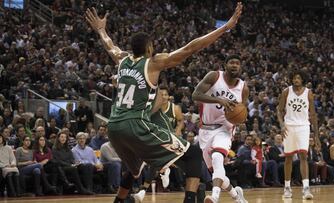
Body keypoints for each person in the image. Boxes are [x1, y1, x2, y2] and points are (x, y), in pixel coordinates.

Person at [85, 2, 243, 203]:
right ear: (149, 48)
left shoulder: (122, 59)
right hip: (136, 124)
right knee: (193, 154)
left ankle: (120, 201)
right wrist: (226, 27)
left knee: (135, 170)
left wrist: (101, 29)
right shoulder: (153, 62)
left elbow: (110, 45)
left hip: (114, 127)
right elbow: (191, 47)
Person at [192, 54, 249, 203]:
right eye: (232, 62)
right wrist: (218, 99)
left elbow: (242, 111)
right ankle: (237, 196)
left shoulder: (243, 87)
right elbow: (195, 95)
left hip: (225, 129)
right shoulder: (214, 76)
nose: (235, 65)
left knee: (218, 157)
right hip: (205, 129)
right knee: (218, 174)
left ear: (240, 67)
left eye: (238, 63)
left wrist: (239, 117)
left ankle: (214, 197)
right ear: (225, 65)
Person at [277, 69, 320, 200]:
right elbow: (279, 110)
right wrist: (282, 125)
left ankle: (306, 188)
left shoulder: (308, 93)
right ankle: (287, 187)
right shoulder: (286, 91)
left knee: (303, 156)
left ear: (303, 80)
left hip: (303, 126)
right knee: (288, 158)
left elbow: (312, 114)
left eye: (299, 78)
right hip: (289, 126)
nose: (296, 80)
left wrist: (316, 135)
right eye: (294, 78)